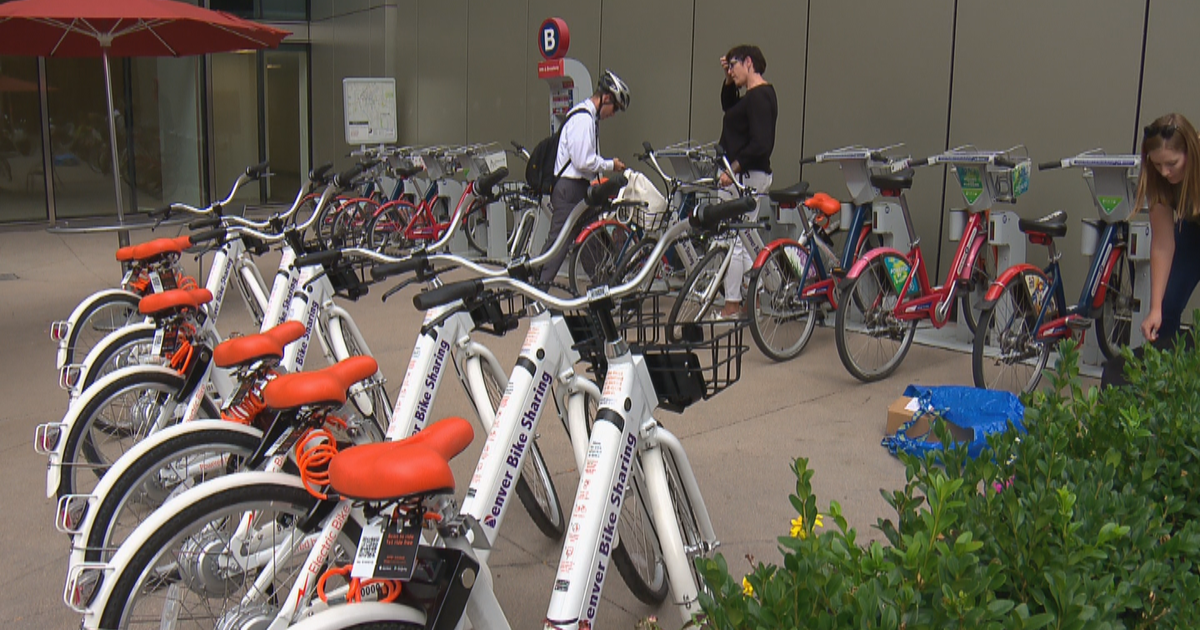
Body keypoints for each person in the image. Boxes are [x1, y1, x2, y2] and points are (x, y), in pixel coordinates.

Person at [1102, 112, 1200, 387]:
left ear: (1190, 153)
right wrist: (1155, 308)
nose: (1165, 172)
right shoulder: (1159, 180)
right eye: (1157, 165)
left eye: (1172, 163)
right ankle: (1163, 390)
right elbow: (1163, 244)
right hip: (1194, 230)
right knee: (1167, 310)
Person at [537, 70, 630, 284]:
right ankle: (537, 292)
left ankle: (605, 289)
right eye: (614, 107)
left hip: (577, 189)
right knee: (557, 246)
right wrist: (610, 164)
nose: (613, 113)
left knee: (590, 241)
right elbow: (583, 161)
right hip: (570, 190)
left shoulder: (586, 118)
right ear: (606, 98)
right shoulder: (583, 119)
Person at [716, 44, 777, 318]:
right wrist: (729, 78)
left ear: (749, 62)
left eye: (734, 66)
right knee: (744, 238)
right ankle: (762, 293)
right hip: (740, 176)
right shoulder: (749, 97)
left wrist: (734, 168)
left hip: (747, 176)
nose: (731, 72)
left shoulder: (761, 96)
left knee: (738, 239)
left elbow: (762, 144)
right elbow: (729, 107)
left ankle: (733, 305)